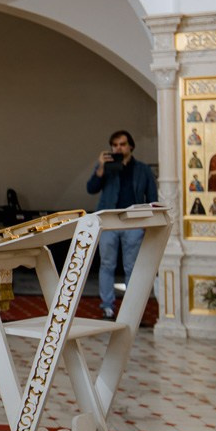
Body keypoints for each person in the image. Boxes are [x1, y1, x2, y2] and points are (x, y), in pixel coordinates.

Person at [85, 130, 159, 320]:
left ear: (131, 146)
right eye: (115, 145)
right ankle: (107, 306)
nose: (119, 148)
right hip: (109, 220)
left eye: (122, 144)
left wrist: (149, 222)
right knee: (107, 264)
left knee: (132, 266)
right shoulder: (107, 167)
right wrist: (101, 167)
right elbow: (91, 188)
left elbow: (152, 197)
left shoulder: (142, 169)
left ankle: (131, 306)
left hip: (134, 221)